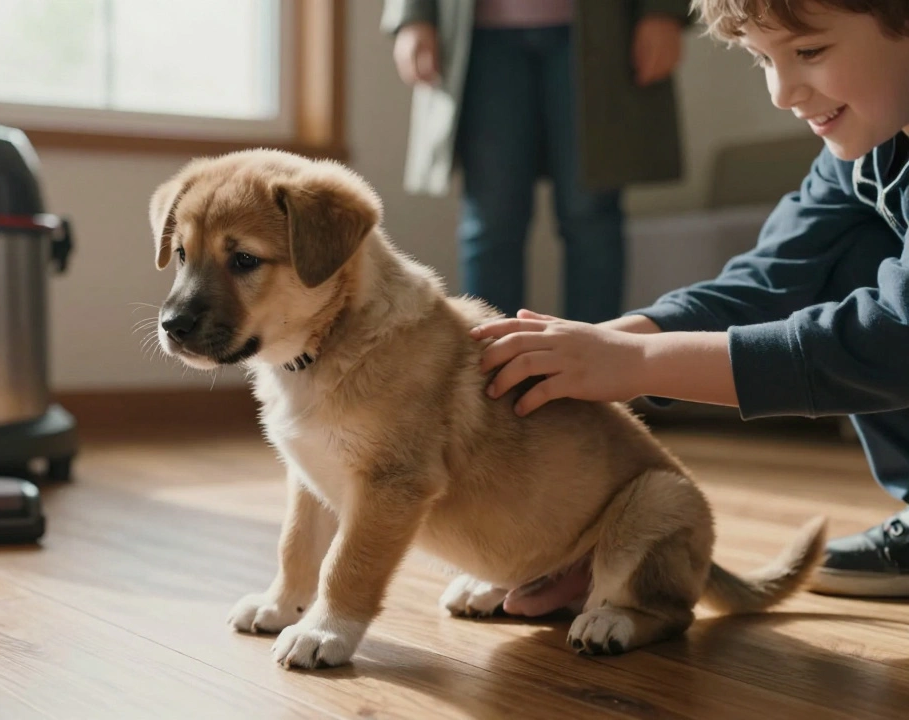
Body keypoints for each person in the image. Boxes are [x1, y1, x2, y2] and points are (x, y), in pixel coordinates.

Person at [470, 0, 909, 598]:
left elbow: (891, 339)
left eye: (809, 51)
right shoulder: (866, 154)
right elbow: (767, 279)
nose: (781, 93)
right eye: (762, 59)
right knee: (847, 250)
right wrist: (598, 347)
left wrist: (638, 363)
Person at [380, 0, 689, 323]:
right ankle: (490, 352)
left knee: (591, 217)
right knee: (492, 220)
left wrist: (662, 9)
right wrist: (413, 15)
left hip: (602, 28)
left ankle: (596, 350)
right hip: (480, 37)